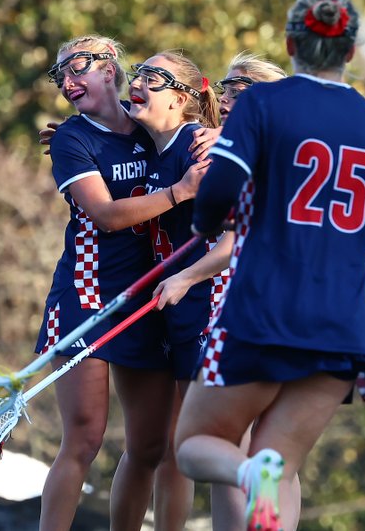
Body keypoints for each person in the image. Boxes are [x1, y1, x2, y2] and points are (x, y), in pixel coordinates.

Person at [175, 0, 365, 531]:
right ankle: (257, 474)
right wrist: (331, 240)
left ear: (289, 45)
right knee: (277, 468)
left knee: (194, 445)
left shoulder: (262, 104)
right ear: (351, 51)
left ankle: (246, 472)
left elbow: (217, 194)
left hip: (263, 313)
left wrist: (207, 224)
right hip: (340, 325)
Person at [35, 35, 206, 531]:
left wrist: (218, 137)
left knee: (151, 446)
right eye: (59, 74)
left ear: (109, 70)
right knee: (85, 438)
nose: (66, 81)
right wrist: (179, 192)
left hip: (145, 303)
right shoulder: (72, 138)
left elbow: (188, 123)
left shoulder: (149, 125)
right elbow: (107, 215)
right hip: (87, 297)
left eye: (76, 68)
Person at [150, 51, 297, 530]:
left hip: (242, 307)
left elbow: (237, 245)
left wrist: (185, 277)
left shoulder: (254, 152)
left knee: (223, 443)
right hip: (287, 310)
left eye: (241, 89)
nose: (227, 98)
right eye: (226, 87)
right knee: (271, 448)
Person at [121, 49, 220, 530]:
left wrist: (189, 277)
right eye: (138, 72)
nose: (138, 82)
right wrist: (73, 135)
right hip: (173, 307)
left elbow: (239, 236)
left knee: (212, 443)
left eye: (153, 77)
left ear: (180, 99)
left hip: (207, 303)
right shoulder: (149, 144)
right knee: (169, 447)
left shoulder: (198, 147)